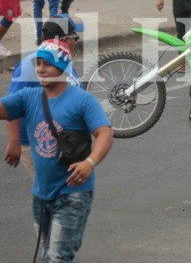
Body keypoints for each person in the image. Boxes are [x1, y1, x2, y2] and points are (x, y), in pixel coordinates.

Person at [2, 39, 113, 263]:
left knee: (59, 258)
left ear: (62, 67)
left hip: (73, 195)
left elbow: (105, 134)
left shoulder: (82, 101)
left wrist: (89, 163)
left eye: (47, 64)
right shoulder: (29, 97)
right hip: (41, 194)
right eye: (38, 63)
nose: (40, 69)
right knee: (46, 255)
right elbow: (3, 110)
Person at [4, 14, 84, 178]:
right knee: (54, 194)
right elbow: (10, 106)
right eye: (74, 37)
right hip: (39, 144)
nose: (76, 41)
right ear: (65, 39)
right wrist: (14, 142)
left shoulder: (63, 60)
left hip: (65, 142)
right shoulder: (30, 66)